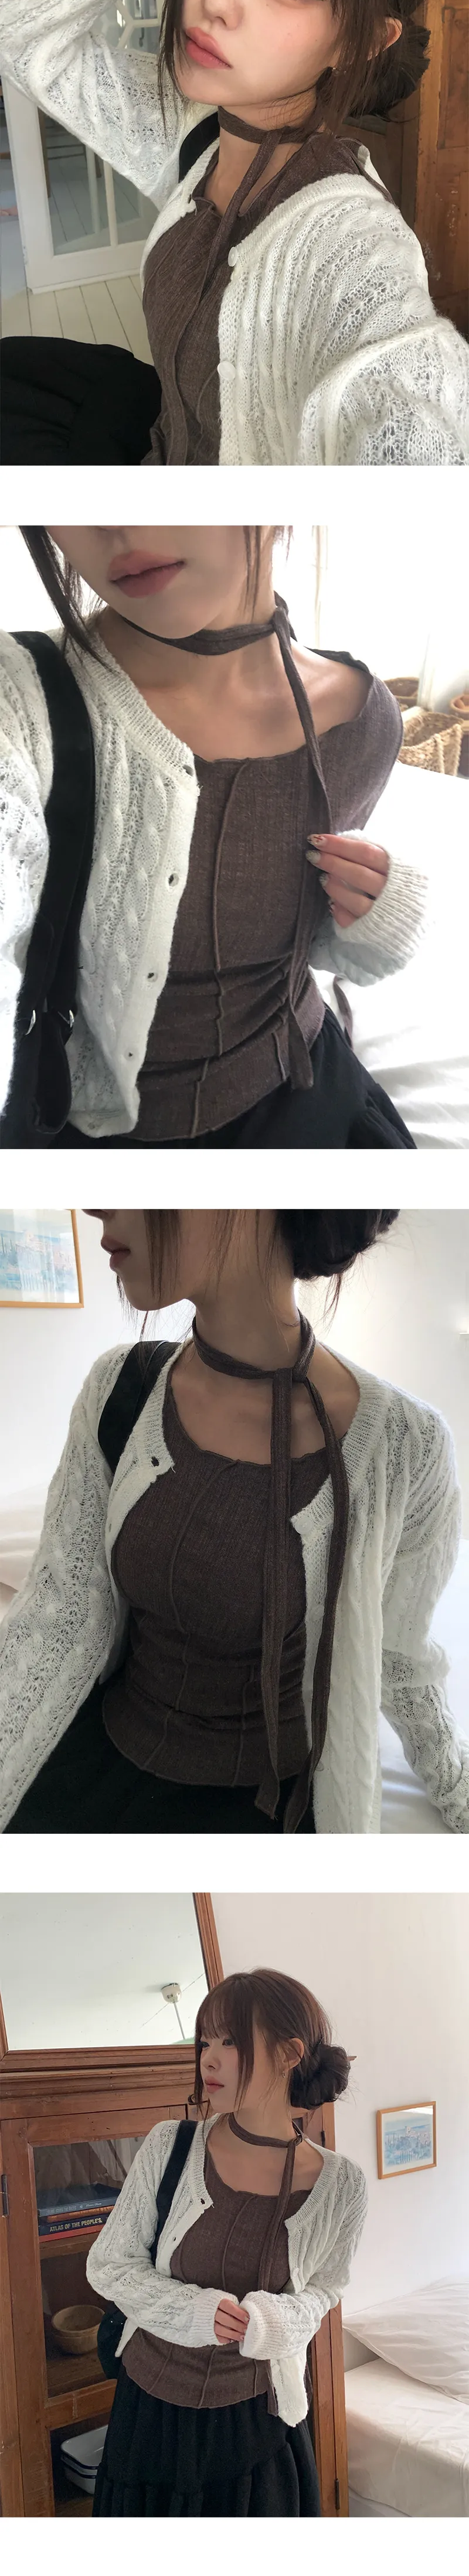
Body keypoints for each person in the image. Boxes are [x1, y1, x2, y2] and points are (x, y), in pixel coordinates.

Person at [2, 1208, 468, 1836]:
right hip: (93, 1766)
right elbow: (56, 1614)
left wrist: (456, 1787)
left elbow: (400, 1658)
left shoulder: (406, 1445)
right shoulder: (120, 1389)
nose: (93, 1205)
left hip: (267, 1809)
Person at [1, 0, 467, 469]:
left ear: (360, 41)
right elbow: (23, 35)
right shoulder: (193, 135)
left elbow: (411, 416)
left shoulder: (350, 244)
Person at [0, 522, 426, 1147]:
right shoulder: (17, 705)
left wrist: (380, 908)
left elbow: (305, 938)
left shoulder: (363, 719)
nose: (113, 523)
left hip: (306, 1085)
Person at [86, 1963, 367, 2515]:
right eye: (205, 2041)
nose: (208, 2059)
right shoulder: (171, 2145)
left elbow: (326, 2288)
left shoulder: (341, 2185)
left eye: (230, 2041)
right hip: (149, 2417)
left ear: (288, 2054)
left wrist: (273, 2320)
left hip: (257, 2423)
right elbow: (109, 2264)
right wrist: (193, 2312)